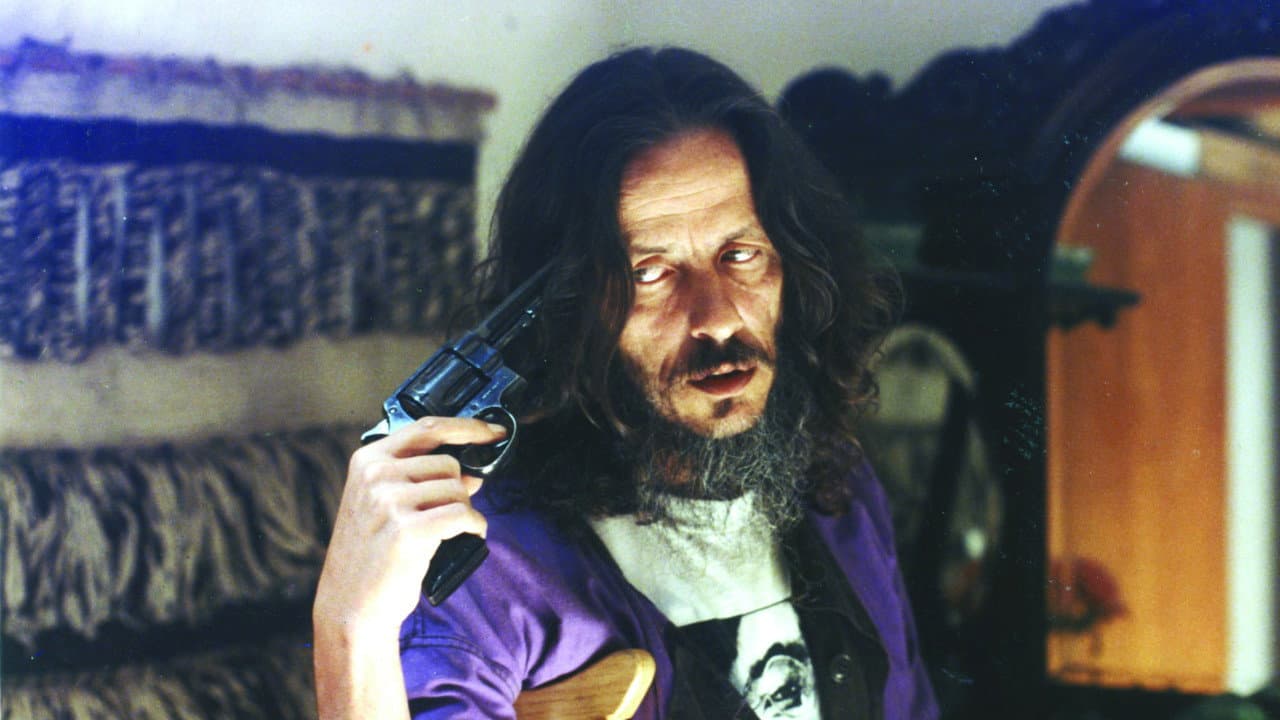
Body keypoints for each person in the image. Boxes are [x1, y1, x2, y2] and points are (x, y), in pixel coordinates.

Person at [313, 46, 938, 720]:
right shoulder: (484, 558)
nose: (717, 317)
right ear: (570, 306)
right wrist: (350, 628)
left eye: (741, 255)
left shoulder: (839, 486)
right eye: (651, 273)